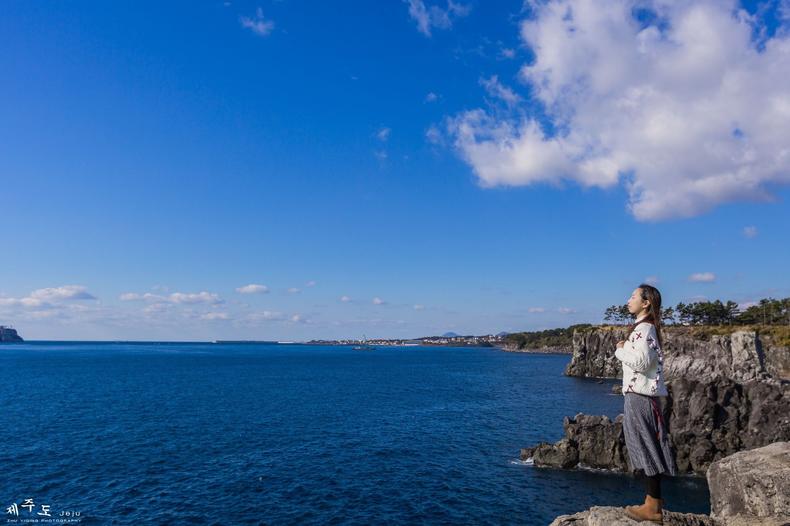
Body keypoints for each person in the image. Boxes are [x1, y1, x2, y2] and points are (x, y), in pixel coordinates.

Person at [614, 284, 677, 524]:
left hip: (640, 397)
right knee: (645, 444)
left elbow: (640, 363)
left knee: (647, 445)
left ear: (646, 302)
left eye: (633, 296)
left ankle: (652, 507)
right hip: (638, 396)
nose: (628, 299)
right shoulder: (644, 328)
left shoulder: (645, 329)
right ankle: (653, 503)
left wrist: (620, 350)